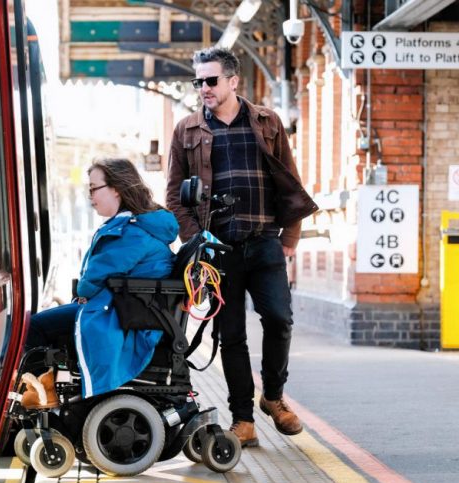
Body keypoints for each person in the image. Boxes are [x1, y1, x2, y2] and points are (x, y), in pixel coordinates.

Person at [166, 47, 317, 447]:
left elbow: (291, 184)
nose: (203, 88)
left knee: (279, 319)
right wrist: (197, 241)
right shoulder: (186, 130)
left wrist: (289, 239)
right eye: (198, 81)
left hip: (265, 240)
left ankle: (273, 396)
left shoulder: (267, 122)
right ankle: (243, 418)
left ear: (233, 81)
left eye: (211, 80)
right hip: (219, 251)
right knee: (230, 334)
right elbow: (174, 197)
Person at [23, 158, 178, 402]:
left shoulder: (133, 231)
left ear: (116, 188)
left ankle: (43, 392)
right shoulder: (138, 226)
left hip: (121, 317)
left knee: (33, 326)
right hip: (125, 310)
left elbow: (95, 275)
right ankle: (43, 387)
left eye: (94, 188)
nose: (90, 196)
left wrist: (83, 292)